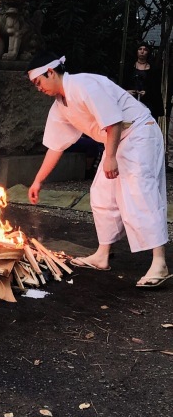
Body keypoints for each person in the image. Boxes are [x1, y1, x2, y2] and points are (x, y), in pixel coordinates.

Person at [26, 52, 169, 289]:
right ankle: (102, 255)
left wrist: (110, 157)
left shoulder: (84, 85)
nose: (38, 88)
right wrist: (37, 181)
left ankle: (159, 261)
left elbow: (113, 120)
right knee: (101, 194)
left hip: (138, 132)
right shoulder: (59, 106)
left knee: (139, 191)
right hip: (116, 141)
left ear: (50, 72)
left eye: (38, 82)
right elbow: (55, 146)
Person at [122, 42, 165, 121]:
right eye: (140, 49)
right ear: (137, 51)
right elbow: (123, 84)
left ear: (148, 52)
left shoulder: (153, 69)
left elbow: (156, 89)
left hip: (148, 103)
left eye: (145, 50)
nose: (142, 51)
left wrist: (147, 93)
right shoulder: (129, 68)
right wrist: (127, 91)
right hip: (131, 102)